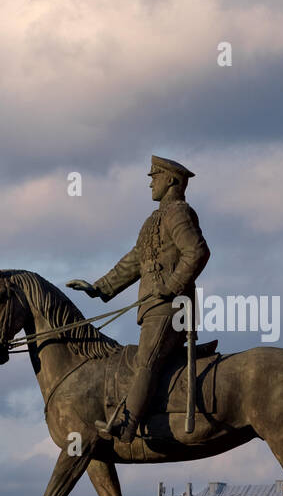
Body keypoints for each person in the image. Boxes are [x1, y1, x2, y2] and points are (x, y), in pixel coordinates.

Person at [67, 156, 210, 443]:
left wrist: (171, 285)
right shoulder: (153, 220)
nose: (150, 182)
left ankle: (127, 425)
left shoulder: (178, 213)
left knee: (145, 361)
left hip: (172, 307)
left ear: (171, 180)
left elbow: (197, 251)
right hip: (153, 307)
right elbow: (135, 261)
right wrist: (99, 287)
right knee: (140, 360)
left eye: (155, 176)